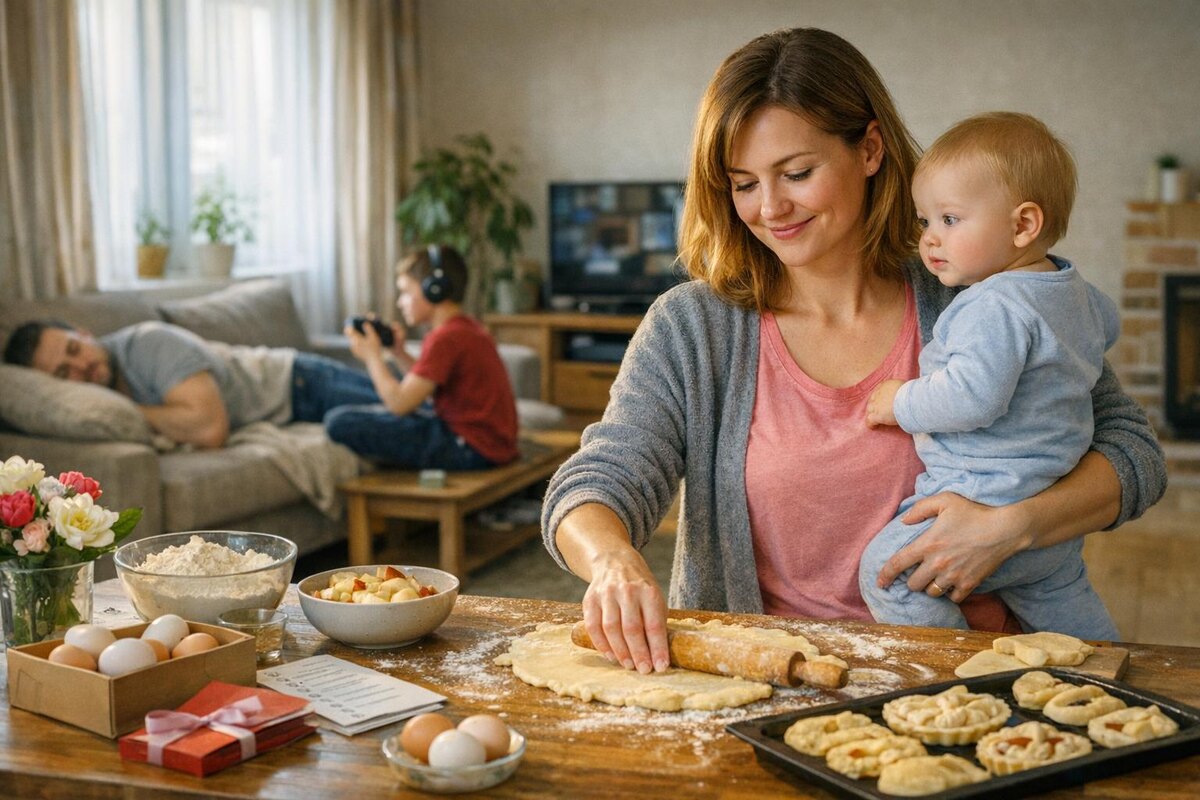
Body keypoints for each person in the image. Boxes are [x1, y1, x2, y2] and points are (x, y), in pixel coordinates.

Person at [540, 27, 1165, 676]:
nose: (771, 207)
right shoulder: (693, 329)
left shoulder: (977, 297)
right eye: (744, 183)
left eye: (797, 173)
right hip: (777, 690)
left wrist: (1014, 527)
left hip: (979, 680)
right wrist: (612, 561)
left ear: (869, 148)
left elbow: (1132, 449)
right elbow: (600, 477)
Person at [859, 112, 1120, 639]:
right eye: (924, 221)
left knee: (889, 577)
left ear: (1023, 225)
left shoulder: (994, 305)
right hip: (1050, 503)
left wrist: (899, 402)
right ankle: (1112, 683)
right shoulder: (1075, 293)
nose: (930, 239)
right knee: (1068, 610)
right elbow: (1106, 330)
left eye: (950, 220)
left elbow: (972, 398)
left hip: (984, 496)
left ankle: (961, 676)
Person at [4, 318, 380, 449]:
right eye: (63, 374)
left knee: (420, 407)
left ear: (84, 333)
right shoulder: (91, 401)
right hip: (292, 407)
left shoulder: (147, 343)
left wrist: (133, 410)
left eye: (74, 349)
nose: (80, 368)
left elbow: (209, 428)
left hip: (298, 381)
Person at [330, 244, 519, 469]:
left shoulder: (445, 338)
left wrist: (373, 358)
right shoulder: (467, 328)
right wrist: (398, 352)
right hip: (490, 445)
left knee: (340, 422)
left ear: (435, 289)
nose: (400, 302)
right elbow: (427, 383)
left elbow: (399, 404)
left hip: (468, 448)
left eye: (406, 292)